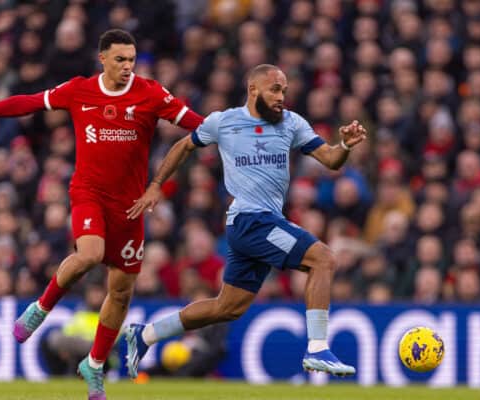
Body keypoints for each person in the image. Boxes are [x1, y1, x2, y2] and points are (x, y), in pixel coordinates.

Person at [0, 29, 203, 400]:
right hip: (89, 194)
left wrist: (237, 130)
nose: (127, 66)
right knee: (90, 254)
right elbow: (28, 103)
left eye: (131, 59)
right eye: (120, 59)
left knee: (121, 291)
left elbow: (195, 122)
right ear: (102, 59)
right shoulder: (80, 90)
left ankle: (94, 365)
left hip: (130, 205)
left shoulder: (150, 93)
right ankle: (41, 307)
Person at [125, 64, 367, 377]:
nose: (281, 96)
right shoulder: (223, 122)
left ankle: (145, 335)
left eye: (284, 90)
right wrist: (156, 184)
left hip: (259, 224)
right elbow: (183, 145)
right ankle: (318, 347)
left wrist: (345, 145)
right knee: (323, 258)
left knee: (227, 308)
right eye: (275, 89)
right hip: (250, 221)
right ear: (253, 90)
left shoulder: (291, 123)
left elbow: (331, 160)